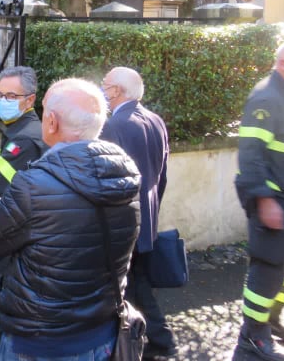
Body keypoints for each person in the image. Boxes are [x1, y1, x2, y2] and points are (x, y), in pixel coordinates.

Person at [0, 78, 141, 360]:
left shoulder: (34, 185)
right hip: (101, 334)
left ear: (51, 121)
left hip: (39, 341)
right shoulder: (126, 176)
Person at [233, 40, 284, 361]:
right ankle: (252, 334)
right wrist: (265, 201)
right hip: (270, 198)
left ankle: (270, 316)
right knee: (269, 268)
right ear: (283, 64)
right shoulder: (266, 98)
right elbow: (251, 156)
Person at [100, 67, 177, 360]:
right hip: (147, 219)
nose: (103, 92)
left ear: (117, 91)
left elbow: (108, 181)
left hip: (124, 224)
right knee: (138, 283)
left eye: (105, 87)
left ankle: (150, 341)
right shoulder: (155, 120)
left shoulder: (114, 126)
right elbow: (163, 175)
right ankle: (157, 339)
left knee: (129, 287)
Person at [0, 66, 46, 361]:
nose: (3, 100)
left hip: (10, 245)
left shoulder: (25, 140)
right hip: (18, 239)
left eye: (11, 95)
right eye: (0, 94)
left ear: (30, 100)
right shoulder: (21, 132)